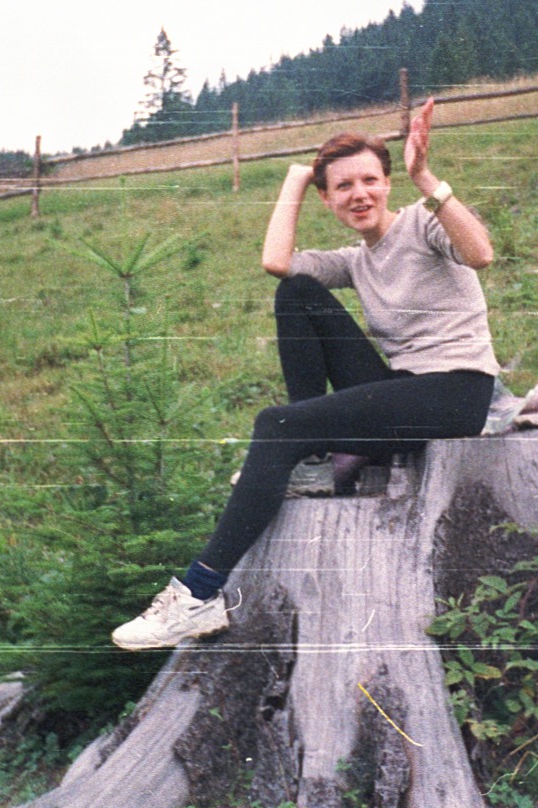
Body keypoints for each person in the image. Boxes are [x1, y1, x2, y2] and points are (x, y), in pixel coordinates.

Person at [112, 98, 499, 650]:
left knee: (278, 424)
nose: (358, 194)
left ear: (388, 184)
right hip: (404, 392)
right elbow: (278, 263)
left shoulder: (421, 225)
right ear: (328, 199)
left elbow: (480, 253)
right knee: (296, 291)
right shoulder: (356, 260)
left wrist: (425, 178)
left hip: (456, 395)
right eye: (342, 187)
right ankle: (312, 462)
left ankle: (198, 594)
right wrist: (294, 182)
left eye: (370, 180)